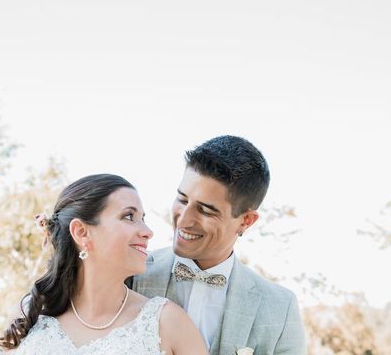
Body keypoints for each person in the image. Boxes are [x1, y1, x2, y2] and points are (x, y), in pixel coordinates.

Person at [131, 136, 306, 355]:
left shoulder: (280, 308)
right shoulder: (131, 273)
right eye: (183, 200)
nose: (183, 220)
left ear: (246, 221)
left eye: (205, 210)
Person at [0, 174, 208, 354]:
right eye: (128, 216)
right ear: (81, 232)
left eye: (143, 218)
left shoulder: (167, 323)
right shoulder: (27, 314)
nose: (147, 231)